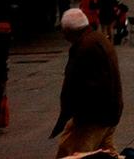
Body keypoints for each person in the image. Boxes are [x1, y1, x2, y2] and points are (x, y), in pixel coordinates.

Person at [51, 9, 123, 158]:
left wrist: (71, 112)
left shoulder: (85, 47)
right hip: (109, 111)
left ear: (69, 32)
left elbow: (76, 84)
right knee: (107, 153)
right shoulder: (99, 39)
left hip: (93, 117)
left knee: (76, 153)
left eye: (64, 32)